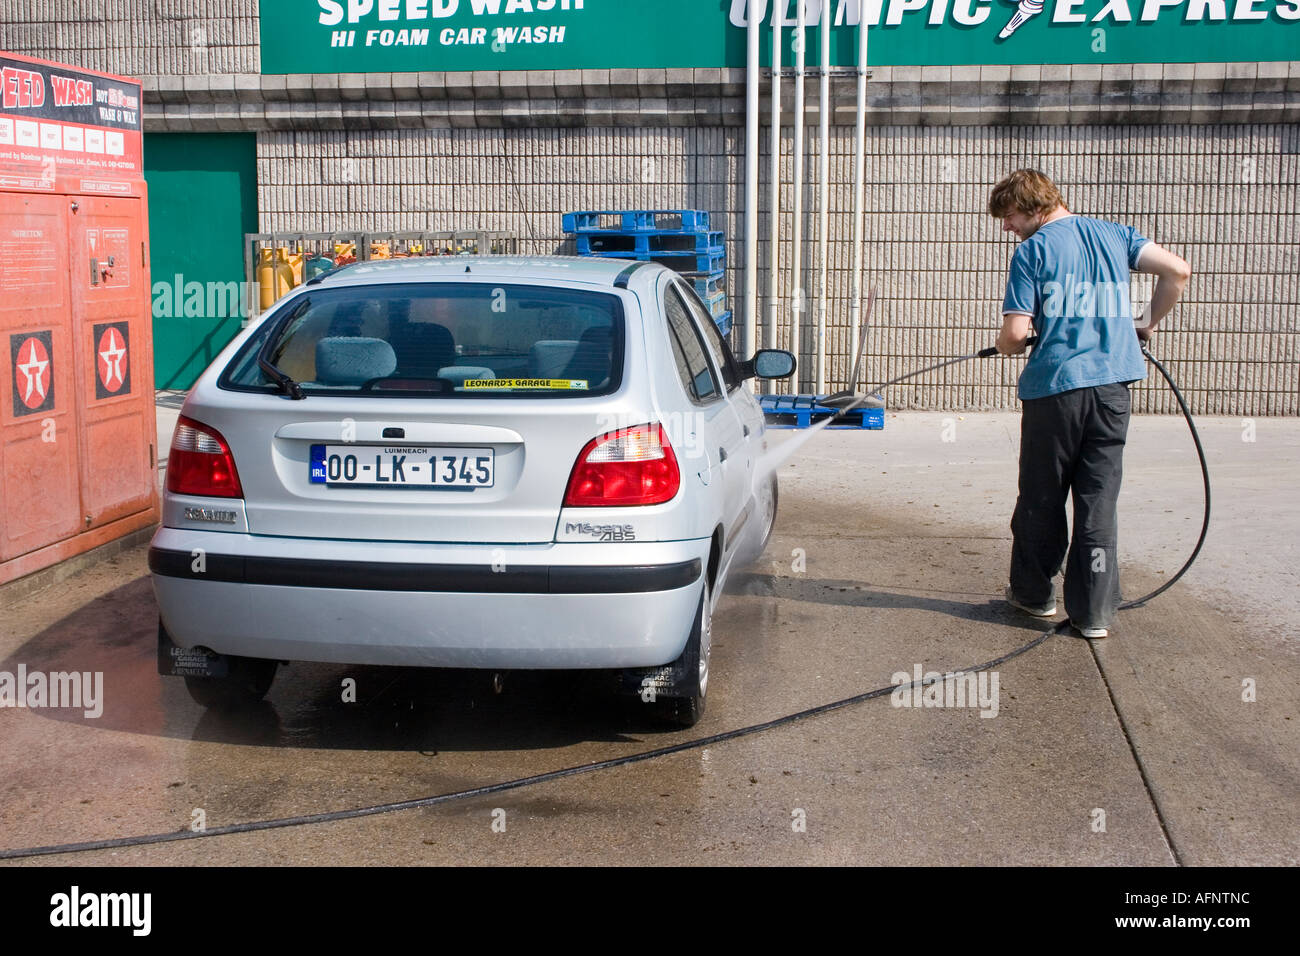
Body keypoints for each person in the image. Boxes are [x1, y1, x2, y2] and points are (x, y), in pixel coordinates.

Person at [989, 169, 1190, 639]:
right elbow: (1178, 271)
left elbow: (1016, 335)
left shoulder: (1033, 252)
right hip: (1113, 389)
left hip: (1056, 391)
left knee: (1042, 496)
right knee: (1098, 499)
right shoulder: (1116, 236)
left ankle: (1035, 595)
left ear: (1035, 206)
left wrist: (1006, 347)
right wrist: (1145, 322)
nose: (1007, 227)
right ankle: (1095, 613)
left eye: (1011, 215)